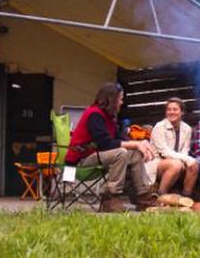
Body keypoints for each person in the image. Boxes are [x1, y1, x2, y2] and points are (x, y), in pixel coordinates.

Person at [66, 83, 159, 212]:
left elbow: (119, 137)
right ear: (111, 99)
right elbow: (105, 144)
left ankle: (142, 197)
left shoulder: (108, 117)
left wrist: (140, 144)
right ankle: (110, 198)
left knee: (134, 152)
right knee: (120, 153)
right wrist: (135, 144)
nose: (121, 102)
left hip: (96, 156)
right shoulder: (94, 114)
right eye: (120, 99)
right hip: (80, 161)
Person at [149, 97, 199, 196]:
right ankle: (162, 195)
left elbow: (185, 150)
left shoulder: (187, 129)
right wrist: (185, 160)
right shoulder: (159, 127)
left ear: (182, 112)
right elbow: (165, 152)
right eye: (169, 109)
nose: (171, 112)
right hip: (157, 163)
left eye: (175, 109)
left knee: (195, 165)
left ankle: (186, 196)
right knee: (176, 164)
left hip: (177, 161)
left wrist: (186, 161)